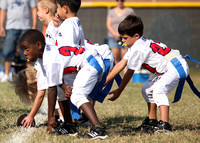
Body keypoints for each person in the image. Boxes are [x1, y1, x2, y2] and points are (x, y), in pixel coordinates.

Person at [105, 15, 190, 132]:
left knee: (159, 90)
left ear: (136, 36)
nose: (122, 41)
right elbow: (121, 64)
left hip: (176, 66)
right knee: (147, 89)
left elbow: (129, 72)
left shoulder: (138, 49)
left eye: (125, 38)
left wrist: (120, 90)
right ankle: (152, 121)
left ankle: (165, 125)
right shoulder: (137, 43)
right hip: (169, 66)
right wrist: (104, 82)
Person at [19, 29, 109, 139]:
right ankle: (69, 126)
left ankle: (99, 129)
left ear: (38, 45)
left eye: (27, 49)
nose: (25, 53)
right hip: (88, 63)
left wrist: (51, 117)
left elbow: (52, 89)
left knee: (77, 95)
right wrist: (64, 86)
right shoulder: (45, 57)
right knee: (61, 93)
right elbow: (56, 82)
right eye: (23, 50)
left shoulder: (49, 59)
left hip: (92, 63)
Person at [0, 0, 37, 82]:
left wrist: (34, 25)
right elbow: (3, 10)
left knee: (28, 54)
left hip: (25, 27)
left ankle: (31, 76)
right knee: (8, 51)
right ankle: (6, 75)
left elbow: (34, 9)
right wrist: (1, 26)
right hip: (10, 27)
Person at [106, 0, 136, 69]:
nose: (119, 2)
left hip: (125, 37)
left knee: (125, 59)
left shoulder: (129, 11)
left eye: (121, 0)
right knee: (115, 59)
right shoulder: (111, 12)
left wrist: (124, 34)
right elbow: (108, 24)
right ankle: (115, 77)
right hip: (113, 38)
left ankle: (126, 78)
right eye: (118, 0)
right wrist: (114, 34)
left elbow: (133, 23)